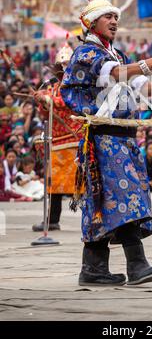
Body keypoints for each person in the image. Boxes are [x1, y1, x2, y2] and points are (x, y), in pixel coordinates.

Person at [61, 0, 152, 286]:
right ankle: (137, 265)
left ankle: (93, 268)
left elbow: (144, 88)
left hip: (122, 138)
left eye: (116, 17)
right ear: (91, 23)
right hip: (103, 140)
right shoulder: (87, 54)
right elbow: (116, 74)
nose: (114, 21)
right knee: (123, 197)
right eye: (108, 17)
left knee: (108, 201)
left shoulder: (115, 53)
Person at [32, 40, 82, 232]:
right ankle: (52, 220)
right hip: (57, 140)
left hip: (73, 138)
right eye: (62, 65)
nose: (65, 68)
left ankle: (97, 219)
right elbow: (47, 112)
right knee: (53, 183)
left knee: (83, 183)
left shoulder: (77, 84)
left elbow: (67, 102)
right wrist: (41, 101)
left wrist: (47, 99)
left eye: (68, 64)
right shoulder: (52, 86)